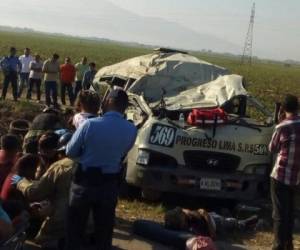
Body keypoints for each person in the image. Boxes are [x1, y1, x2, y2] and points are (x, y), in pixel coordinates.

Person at [65, 89, 137, 250]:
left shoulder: (90, 124)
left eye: (105, 101)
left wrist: (85, 158)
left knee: (75, 229)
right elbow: (122, 153)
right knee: (103, 232)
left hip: (84, 182)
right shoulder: (132, 129)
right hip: (109, 184)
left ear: (109, 102)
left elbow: (70, 151)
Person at [13, 132, 75, 248]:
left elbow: (35, 193)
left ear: (60, 151)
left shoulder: (60, 166)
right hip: (89, 221)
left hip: (61, 221)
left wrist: (20, 182)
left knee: (43, 241)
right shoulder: (92, 162)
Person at [269, 94, 300, 250]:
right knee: (290, 213)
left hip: (280, 176)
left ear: (282, 109)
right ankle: (288, 244)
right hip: (297, 178)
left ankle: (279, 245)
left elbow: (272, 148)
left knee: (279, 214)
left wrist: (279, 123)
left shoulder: (282, 127)